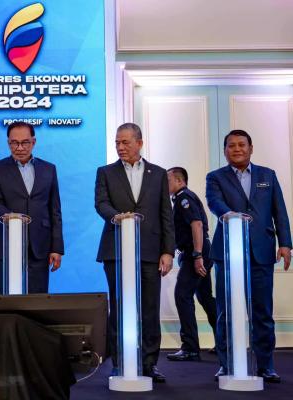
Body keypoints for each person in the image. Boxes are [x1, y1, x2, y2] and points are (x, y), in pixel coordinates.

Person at [206, 129, 292, 383]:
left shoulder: (268, 175)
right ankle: (226, 365)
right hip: (227, 254)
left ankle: (266, 366)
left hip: (261, 253)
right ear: (225, 151)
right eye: (231, 146)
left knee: (262, 313)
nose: (237, 149)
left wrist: (285, 244)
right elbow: (214, 202)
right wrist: (229, 215)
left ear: (250, 148)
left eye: (241, 145)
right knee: (225, 313)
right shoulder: (215, 177)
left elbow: (279, 211)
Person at [95, 122, 175, 382]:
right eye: (117, 142)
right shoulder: (105, 172)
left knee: (149, 309)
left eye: (125, 142)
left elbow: (166, 214)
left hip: (150, 252)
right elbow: (101, 203)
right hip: (116, 251)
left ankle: (149, 363)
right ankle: (120, 363)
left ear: (139, 143)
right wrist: (117, 217)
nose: (120, 147)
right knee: (119, 307)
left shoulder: (159, 173)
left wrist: (168, 251)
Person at [0, 121, 63, 294]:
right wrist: (12, 217)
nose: (19, 147)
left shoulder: (49, 169)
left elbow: (55, 211)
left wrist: (57, 248)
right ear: (8, 143)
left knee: (38, 299)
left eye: (25, 142)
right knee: (8, 298)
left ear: (33, 142)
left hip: (40, 246)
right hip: (8, 243)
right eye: (14, 143)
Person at [166, 167, 217, 362]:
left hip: (196, 253)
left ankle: (190, 348)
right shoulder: (182, 198)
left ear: (179, 181)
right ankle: (226, 342)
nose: (165, 184)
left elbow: (196, 225)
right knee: (205, 298)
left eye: (168, 180)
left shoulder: (184, 198)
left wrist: (197, 255)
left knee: (182, 295)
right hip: (200, 252)